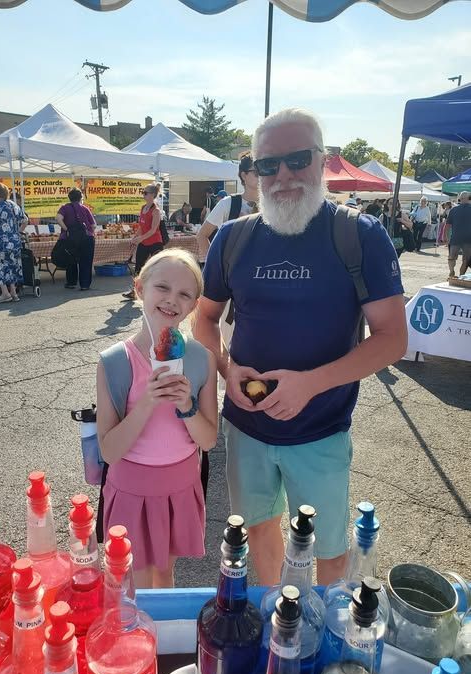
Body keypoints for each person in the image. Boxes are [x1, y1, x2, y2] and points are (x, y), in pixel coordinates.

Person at [193, 108, 407, 587]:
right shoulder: (233, 239)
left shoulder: (359, 235)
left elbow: (393, 339)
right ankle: (275, 615)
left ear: (323, 159)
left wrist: (311, 384)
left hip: (321, 430)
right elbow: (204, 319)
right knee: (257, 531)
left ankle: (326, 635)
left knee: (330, 551)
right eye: (269, 164)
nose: (284, 175)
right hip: (245, 428)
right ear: (253, 172)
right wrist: (226, 369)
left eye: (297, 159)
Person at [96, 249, 217, 588]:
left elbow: (207, 441)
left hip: (178, 486)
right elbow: (109, 452)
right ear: (139, 288)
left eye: (184, 294)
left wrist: (187, 406)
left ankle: (161, 640)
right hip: (130, 488)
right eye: (162, 288)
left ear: (194, 305)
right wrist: (147, 402)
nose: (171, 300)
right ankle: (135, 639)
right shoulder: (114, 363)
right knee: (130, 576)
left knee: (164, 572)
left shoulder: (201, 360)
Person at [197, 154, 259, 262]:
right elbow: (202, 235)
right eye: (257, 172)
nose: (263, 175)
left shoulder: (275, 205)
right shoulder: (228, 203)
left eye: (266, 170)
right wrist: (214, 266)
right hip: (234, 272)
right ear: (244, 175)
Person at [0, 182, 28, 303]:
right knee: (12, 266)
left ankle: (5, 293)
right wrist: (18, 232)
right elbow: (25, 220)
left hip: (1, 243)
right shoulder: (14, 205)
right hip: (15, 242)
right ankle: (14, 293)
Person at [122, 182, 165, 300]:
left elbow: (153, 230)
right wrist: (135, 238)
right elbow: (141, 227)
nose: (143, 195)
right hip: (144, 242)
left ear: (152, 195)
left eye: (145, 193)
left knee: (158, 268)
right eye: (143, 192)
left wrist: (139, 239)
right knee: (138, 267)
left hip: (155, 242)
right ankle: (134, 291)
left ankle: (160, 292)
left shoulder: (155, 210)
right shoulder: (143, 208)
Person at [56, 188, 97, 291]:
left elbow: (58, 218)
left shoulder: (64, 208)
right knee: (86, 261)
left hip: (70, 238)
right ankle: (85, 285)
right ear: (80, 198)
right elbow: (93, 225)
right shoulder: (85, 208)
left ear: (69, 198)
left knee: (71, 260)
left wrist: (67, 229)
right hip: (86, 238)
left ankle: (71, 283)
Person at [446, 191, 471, 277]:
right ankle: (461, 276)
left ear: (460, 199)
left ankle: (452, 271)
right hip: (469, 239)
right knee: (466, 259)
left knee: (451, 257)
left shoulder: (453, 210)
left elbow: (447, 225)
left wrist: (446, 237)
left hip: (455, 238)